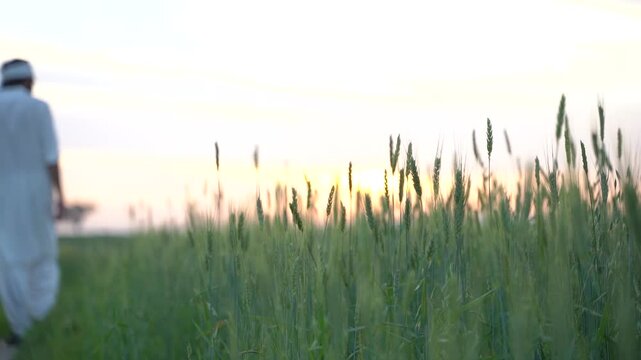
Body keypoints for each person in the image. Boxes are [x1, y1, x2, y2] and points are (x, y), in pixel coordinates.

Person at [0, 59, 65, 358]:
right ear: (28, 82)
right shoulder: (39, 109)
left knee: (9, 261)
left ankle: (20, 329)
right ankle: (39, 322)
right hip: (36, 193)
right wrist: (60, 196)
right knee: (42, 257)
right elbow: (50, 157)